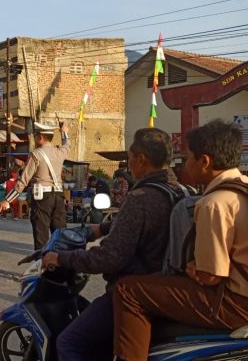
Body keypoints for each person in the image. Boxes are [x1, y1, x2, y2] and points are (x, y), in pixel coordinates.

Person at [40, 127, 183, 361]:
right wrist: (101, 228)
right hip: (163, 287)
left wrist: (61, 258)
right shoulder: (175, 190)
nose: (129, 164)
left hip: (132, 293)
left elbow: (109, 257)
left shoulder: (141, 198)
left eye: (130, 158)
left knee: (68, 342)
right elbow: (140, 224)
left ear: (142, 159)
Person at [112, 120, 248, 360]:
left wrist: (194, 269)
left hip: (233, 304)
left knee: (127, 289)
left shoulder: (214, 203)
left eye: (188, 158)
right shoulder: (242, 188)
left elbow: (211, 275)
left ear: (204, 162)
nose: (184, 165)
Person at [0, 122, 71, 250]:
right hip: (58, 197)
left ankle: (41, 266)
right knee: (59, 236)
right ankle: (61, 266)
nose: (34, 138)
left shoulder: (36, 155)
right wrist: (64, 132)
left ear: (40, 137)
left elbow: (23, 181)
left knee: (41, 237)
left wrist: (7, 200)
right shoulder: (60, 152)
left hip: (42, 199)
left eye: (35, 135)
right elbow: (67, 146)